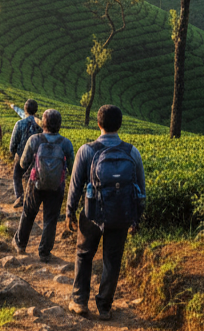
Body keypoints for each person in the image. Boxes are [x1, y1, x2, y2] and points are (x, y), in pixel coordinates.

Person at [64, 104, 146, 321]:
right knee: (112, 259)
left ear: (98, 123)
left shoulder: (87, 150)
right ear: (119, 124)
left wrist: (69, 211)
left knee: (84, 254)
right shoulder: (132, 152)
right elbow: (141, 189)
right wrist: (136, 217)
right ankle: (105, 306)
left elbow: (74, 185)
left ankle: (80, 301)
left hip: (92, 214)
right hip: (121, 214)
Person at [14, 109, 74, 262]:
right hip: (56, 186)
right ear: (59, 125)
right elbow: (72, 168)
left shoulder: (34, 140)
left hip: (35, 184)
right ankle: (45, 253)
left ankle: (20, 244)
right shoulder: (66, 143)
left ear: (43, 123)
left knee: (28, 213)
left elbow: (23, 163)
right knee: (51, 218)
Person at [9, 99, 42, 208]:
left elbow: (14, 142)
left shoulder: (20, 123)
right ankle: (31, 199)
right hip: (36, 156)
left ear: (25, 109)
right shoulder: (40, 125)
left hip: (21, 155)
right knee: (31, 178)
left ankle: (20, 197)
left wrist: (13, 153)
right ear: (36, 110)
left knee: (17, 176)